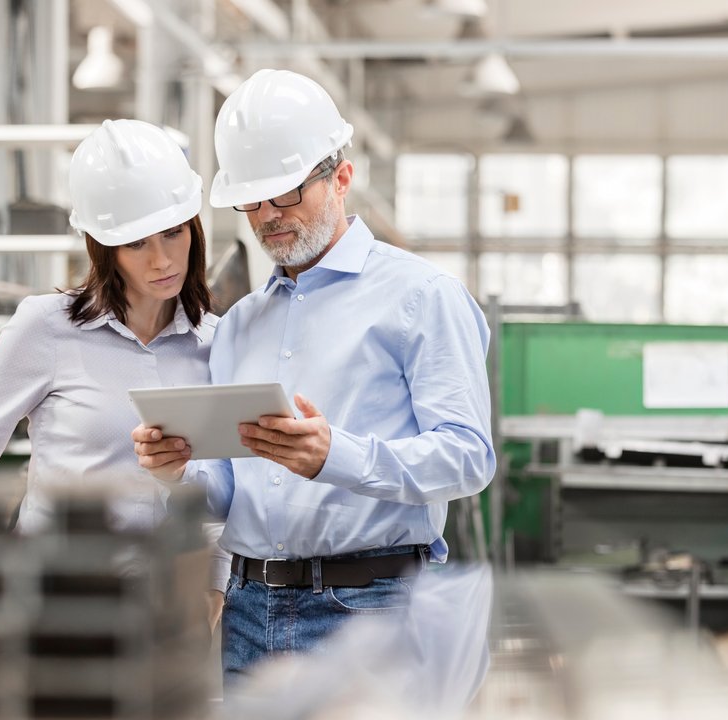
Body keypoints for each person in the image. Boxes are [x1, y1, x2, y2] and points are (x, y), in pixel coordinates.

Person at [132, 69, 495, 684]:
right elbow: (225, 492)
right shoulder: (240, 323)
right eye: (252, 201)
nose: (268, 217)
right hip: (249, 610)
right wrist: (178, 472)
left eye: (287, 195)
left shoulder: (422, 297)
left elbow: (469, 458)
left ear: (342, 177)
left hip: (373, 608)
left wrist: (337, 455)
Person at [0, 119, 229, 626]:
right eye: (137, 243)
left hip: (167, 613)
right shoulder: (45, 328)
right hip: (55, 603)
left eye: (173, 232)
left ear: (194, 227)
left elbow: (220, 488)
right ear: (103, 246)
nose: (162, 259)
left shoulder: (217, 343)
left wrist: (213, 587)